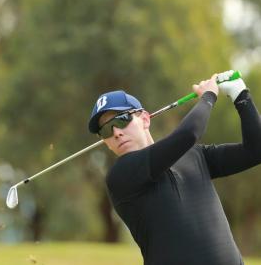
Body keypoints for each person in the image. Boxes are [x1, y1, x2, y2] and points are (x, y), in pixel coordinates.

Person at [88, 73, 261, 265]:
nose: (116, 133)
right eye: (105, 130)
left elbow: (255, 151)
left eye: (121, 120)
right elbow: (189, 133)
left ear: (145, 119)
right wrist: (209, 96)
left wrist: (241, 95)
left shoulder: (195, 155)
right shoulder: (120, 176)